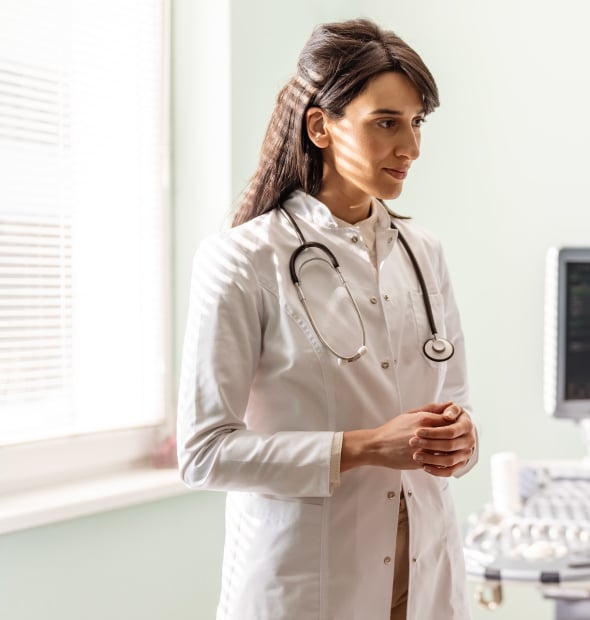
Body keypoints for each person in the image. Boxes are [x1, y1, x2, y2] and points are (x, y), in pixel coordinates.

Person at [176, 19, 477, 620]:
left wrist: (462, 440)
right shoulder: (242, 259)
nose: (411, 147)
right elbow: (204, 452)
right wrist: (364, 447)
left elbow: (458, 405)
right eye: (385, 122)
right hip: (309, 582)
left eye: (416, 122)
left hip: (425, 572)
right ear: (320, 127)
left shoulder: (424, 253)